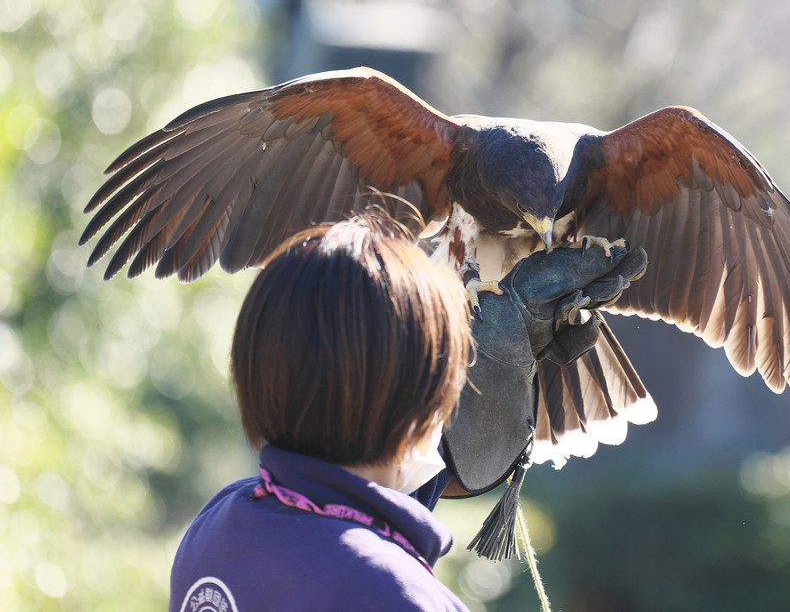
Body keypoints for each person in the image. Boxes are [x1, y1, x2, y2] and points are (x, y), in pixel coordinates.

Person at [168, 214, 646, 611]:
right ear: (425, 405)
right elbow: (366, 561)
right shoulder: (403, 598)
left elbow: (346, 524)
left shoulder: (218, 525)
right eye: (452, 373)